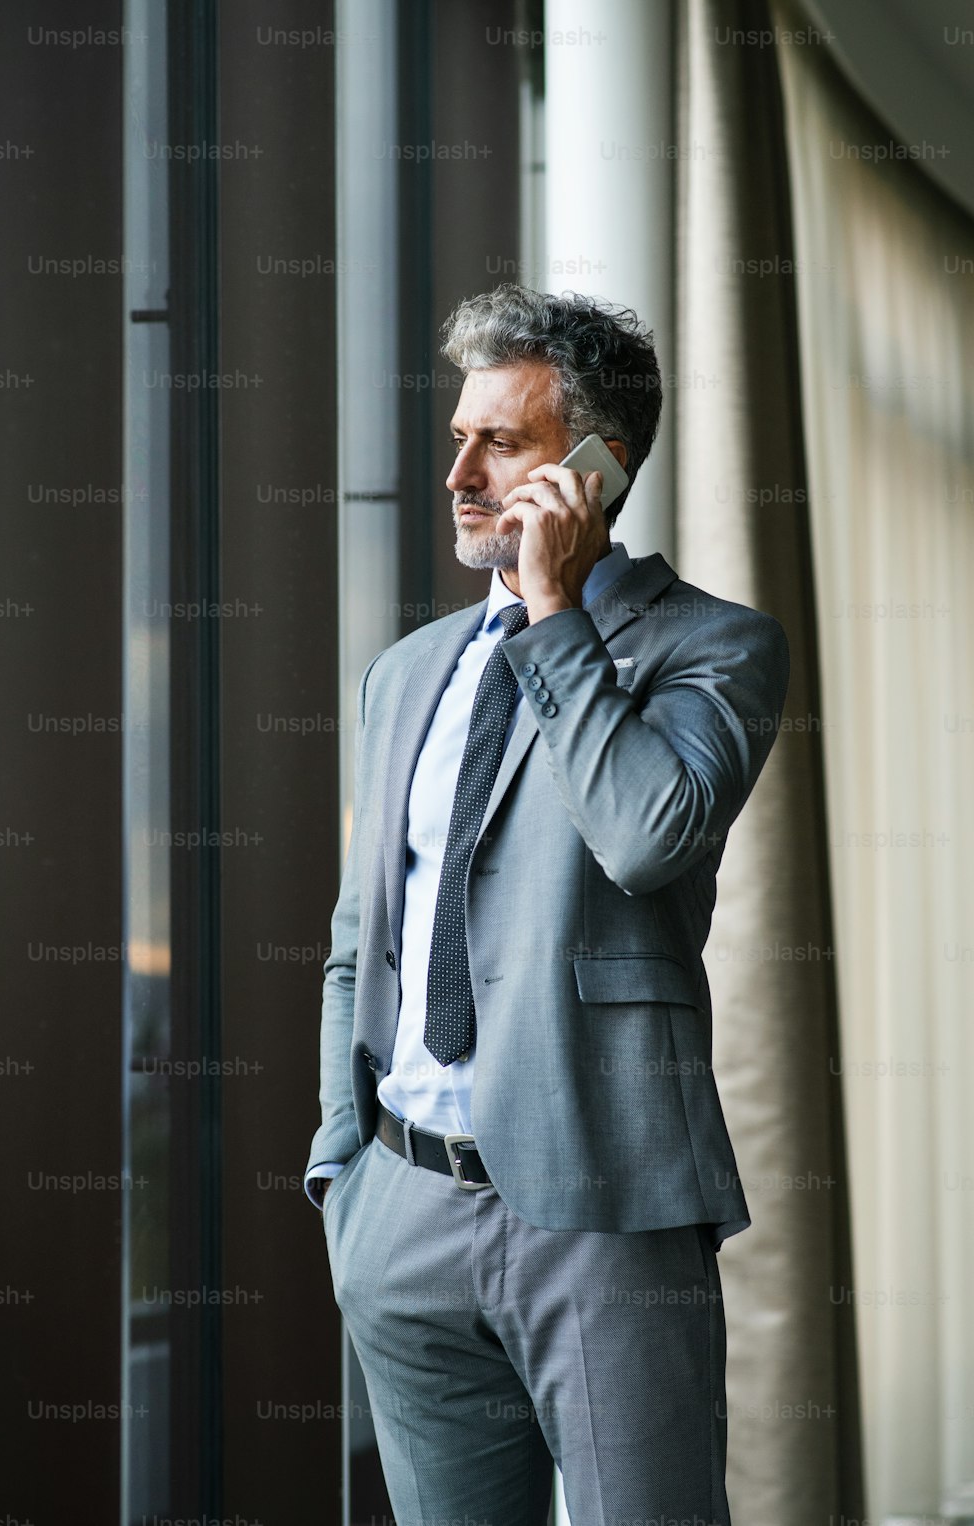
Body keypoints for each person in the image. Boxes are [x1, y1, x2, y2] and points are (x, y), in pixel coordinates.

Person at [304, 284, 790, 1525]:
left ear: (593, 469)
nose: (460, 470)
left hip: (606, 1215)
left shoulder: (714, 646)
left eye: (502, 443)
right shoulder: (407, 671)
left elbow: (645, 836)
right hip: (400, 1214)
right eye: (458, 434)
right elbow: (362, 942)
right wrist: (340, 1171)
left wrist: (555, 613)